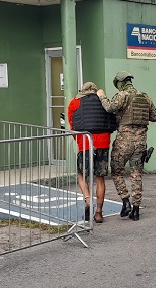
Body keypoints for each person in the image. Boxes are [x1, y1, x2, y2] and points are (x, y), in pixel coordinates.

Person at [97, 71, 156, 221]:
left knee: (117, 172)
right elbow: (154, 117)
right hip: (141, 143)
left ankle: (125, 202)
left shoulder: (122, 95)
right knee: (136, 174)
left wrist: (102, 96)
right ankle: (136, 210)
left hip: (124, 142)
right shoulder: (145, 96)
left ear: (119, 82)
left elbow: (109, 108)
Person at [67, 82, 117, 223]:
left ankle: (88, 203)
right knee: (100, 178)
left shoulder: (74, 102)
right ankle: (99, 213)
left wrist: (79, 141)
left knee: (82, 175)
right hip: (103, 143)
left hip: (85, 143)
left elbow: (73, 125)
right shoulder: (103, 101)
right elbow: (112, 120)